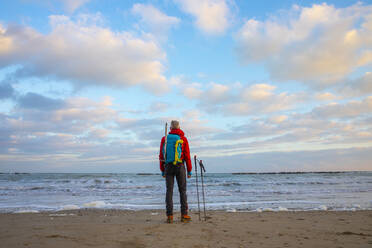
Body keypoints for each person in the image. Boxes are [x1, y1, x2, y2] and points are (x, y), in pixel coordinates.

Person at [159, 120, 192, 223]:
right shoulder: (183, 139)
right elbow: (187, 156)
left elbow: (161, 156)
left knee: (169, 191)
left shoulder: (165, 139)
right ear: (179, 127)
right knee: (182, 191)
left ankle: (169, 216)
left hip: (168, 166)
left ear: (170, 129)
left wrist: (163, 170)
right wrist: (189, 170)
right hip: (180, 166)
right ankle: (184, 215)